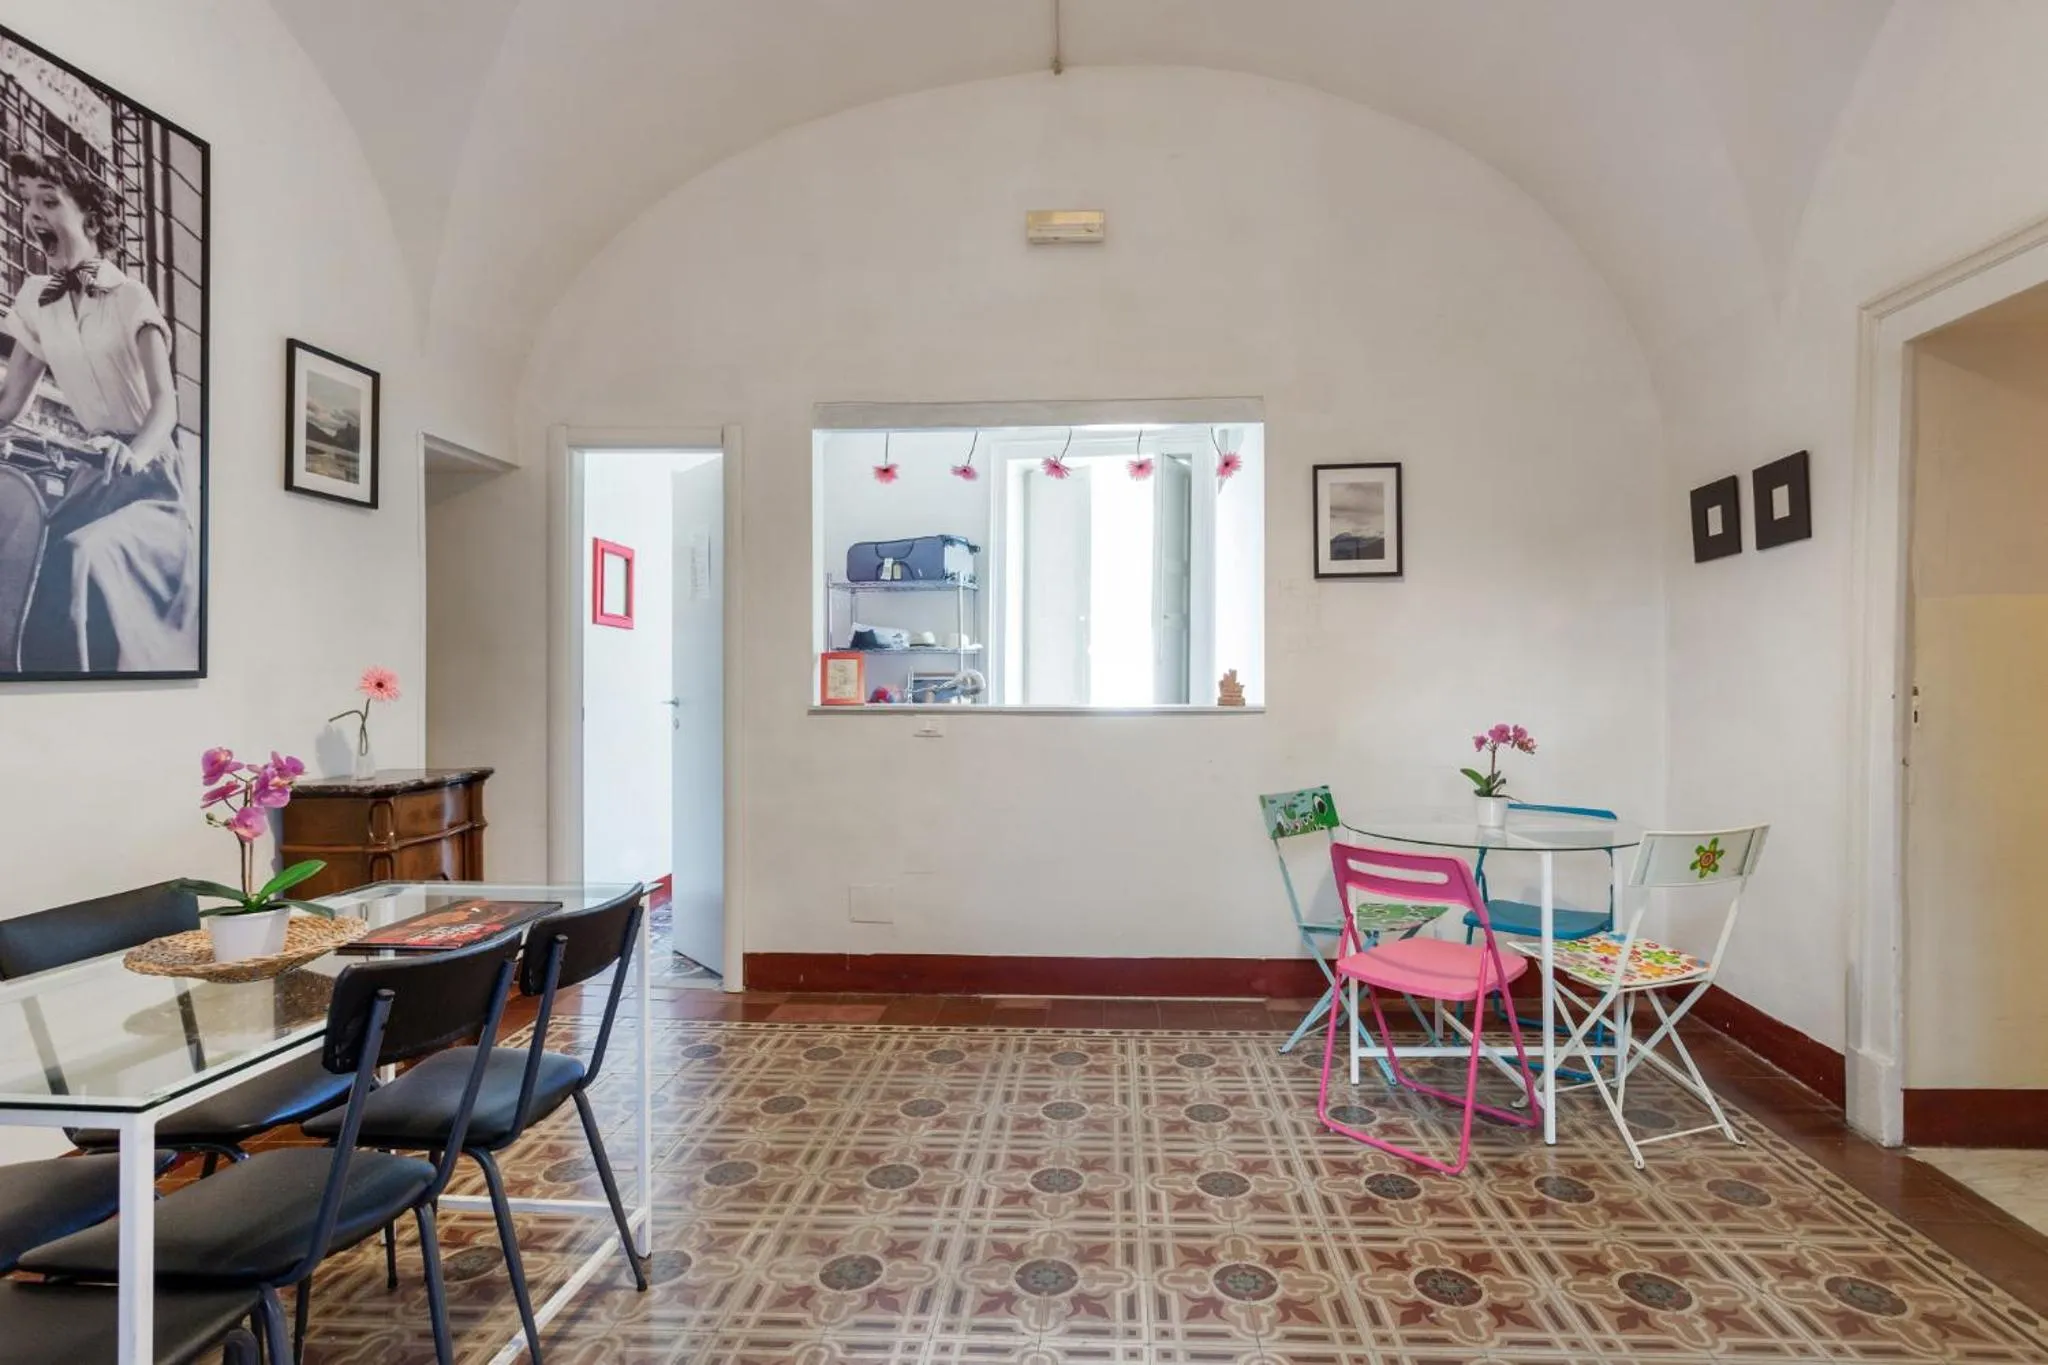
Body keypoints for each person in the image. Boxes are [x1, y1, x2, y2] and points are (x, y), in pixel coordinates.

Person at [0, 150, 195, 672]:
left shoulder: (130, 296)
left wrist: (133, 455)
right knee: (31, 566)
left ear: (87, 215)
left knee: (83, 556)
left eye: (48, 201)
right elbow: (9, 403)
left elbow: (166, 403)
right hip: (91, 478)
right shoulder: (35, 300)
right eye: (25, 202)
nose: (32, 213)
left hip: (150, 481)